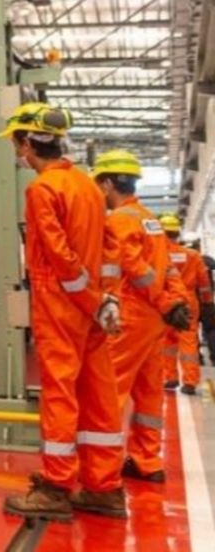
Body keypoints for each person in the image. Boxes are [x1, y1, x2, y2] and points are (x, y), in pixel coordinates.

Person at [0, 104, 126, 522]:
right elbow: (108, 252)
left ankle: (56, 487)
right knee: (98, 394)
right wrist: (105, 299)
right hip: (92, 310)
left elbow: (60, 256)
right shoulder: (89, 187)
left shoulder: (42, 190)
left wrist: (88, 299)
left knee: (60, 394)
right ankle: (104, 489)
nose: (17, 152)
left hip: (63, 306)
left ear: (25, 142)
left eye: (17, 143)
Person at [92, 150, 190, 483]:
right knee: (149, 392)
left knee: (110, 390)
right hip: (153, 321)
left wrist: (164, 300)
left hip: (131, 316)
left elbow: (136, 269)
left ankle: (102, 469)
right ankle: (148, 461)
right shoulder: (150, 219)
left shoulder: (119, 219)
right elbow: (167, 269)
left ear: (107, 184)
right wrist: (174, 302)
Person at [158, 215, 212, 395]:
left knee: (168, 341)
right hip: (189, 299)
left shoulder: (158, 254)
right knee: (189, 341)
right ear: (177, 232)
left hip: (166, 299)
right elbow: (204, 283)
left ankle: (170, 378)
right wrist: (207, 302)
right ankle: (190, 381)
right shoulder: (193, 255)